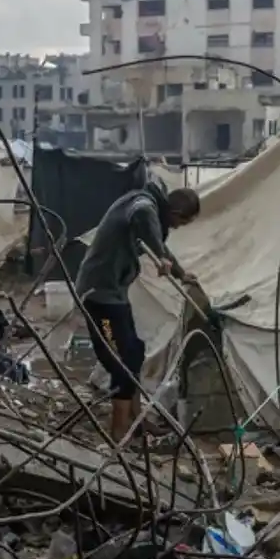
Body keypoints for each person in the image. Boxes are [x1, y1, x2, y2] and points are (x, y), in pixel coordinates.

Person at [74, 177, 201, 442]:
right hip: (98, 296)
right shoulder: (143, 204)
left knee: (135, 351)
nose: (176, 228)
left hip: (115, 293)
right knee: (121, 361)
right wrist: (160, 255)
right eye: (181, 223)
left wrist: (179, 272)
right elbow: (142, 216)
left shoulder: (150, 207)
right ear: (176, 213)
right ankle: (118, 432)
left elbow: (158, 243)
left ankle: (137, 421)